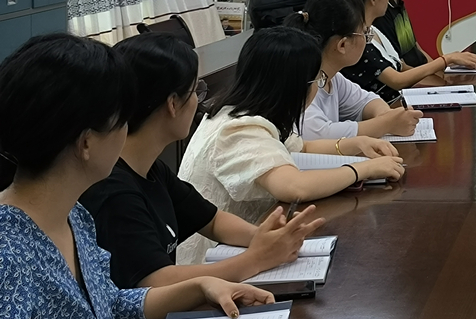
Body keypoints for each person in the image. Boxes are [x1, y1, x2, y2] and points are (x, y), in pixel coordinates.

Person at [0, 33, 273, 319]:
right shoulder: (9, 254)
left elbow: (111, 305)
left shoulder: (75, 216)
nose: (126, 132)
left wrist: (200, 288)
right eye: (122, 120)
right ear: (86, 143)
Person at [81, 33, 324, 289]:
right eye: (195, 90)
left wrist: (265, 237)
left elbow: (213, 220)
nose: (198, 100)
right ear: (173, 104)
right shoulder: (114, 191)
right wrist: (256, 259)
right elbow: (155, 282)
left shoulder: (151, 169)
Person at [177, 27, 404, 265]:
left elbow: (301, 148)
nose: (317, 86)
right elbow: (295, 187)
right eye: (317, 79)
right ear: (294, 86)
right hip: (214, 263)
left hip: (247, 243)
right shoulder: (238, 130)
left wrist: (356, 144)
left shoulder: (252, 112)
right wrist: (363, 169)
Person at [284, 0, 425, 141]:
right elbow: (320, 135)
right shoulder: (303, 82)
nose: (367, 40)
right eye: (365, 33)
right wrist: (387, 123)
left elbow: (366, 101)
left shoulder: (332, 77)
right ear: (342, 45)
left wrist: (387, 115)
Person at [340, 0, 476, 97]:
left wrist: (446, 82)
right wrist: (445, 60)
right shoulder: (358, 41)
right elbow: (397, 80)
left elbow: (402, 67)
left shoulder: (374, 31)